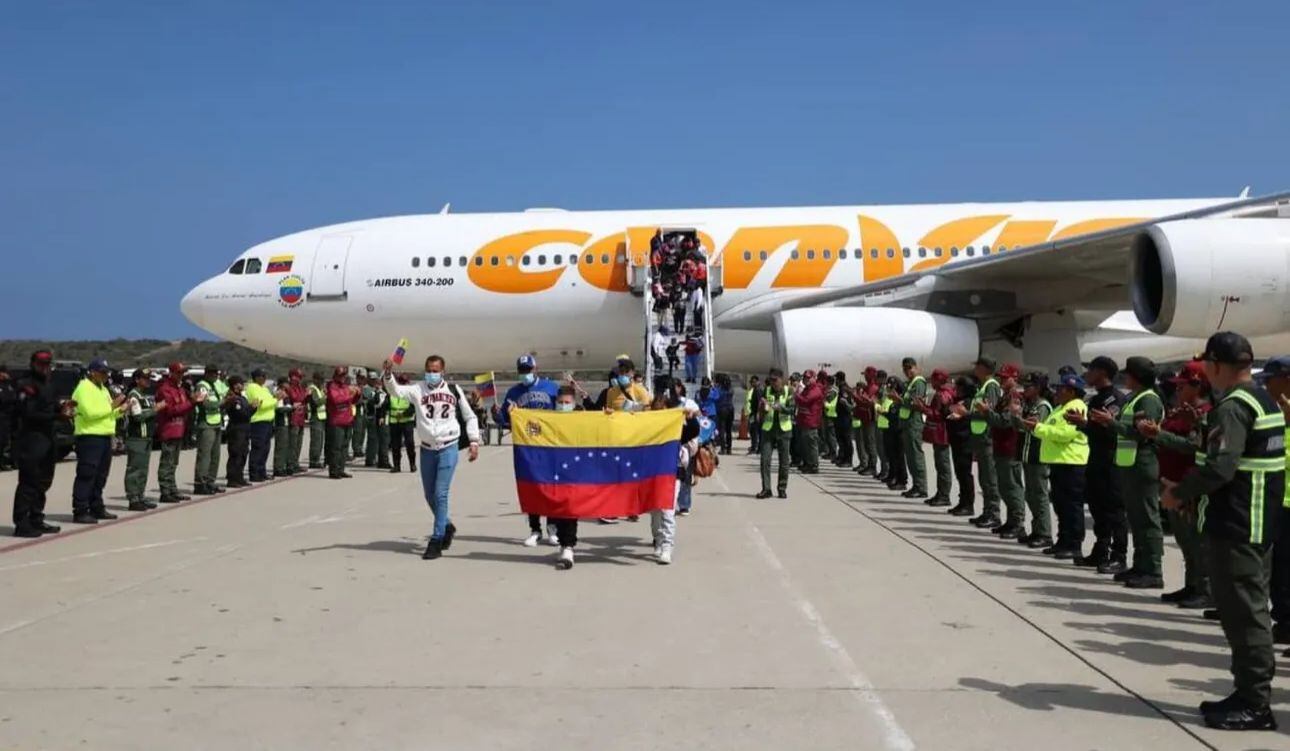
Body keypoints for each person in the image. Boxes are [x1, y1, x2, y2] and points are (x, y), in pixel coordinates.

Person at [1163, 332, 1282, 731]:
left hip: (1237, 523)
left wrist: (1179, 493)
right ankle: (1247, 691)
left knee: (1245, 615)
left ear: (1215, 365)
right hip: (1255, 519)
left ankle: (1255, 703)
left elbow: (1220, 467)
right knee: (1245, 610)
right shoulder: (1263, 398)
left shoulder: (1233, 406)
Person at [382, 354, 481, 561]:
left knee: (440, 493)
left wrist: (473, 441)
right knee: (429, 495)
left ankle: (436, 539)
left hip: (448, 446)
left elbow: (470, 416)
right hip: (427, 448)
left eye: (436, 370)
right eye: (429, 370)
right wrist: (389, 374)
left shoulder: (453, 390)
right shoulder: (418, 389)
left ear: (443, 371)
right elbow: (395, 391)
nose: (432, 374)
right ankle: (447, 525)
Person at [1137, 359, 1212, 609]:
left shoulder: (1205, 414)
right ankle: (1192, 585)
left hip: (1187, 485)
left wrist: (1159, 434)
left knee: (1196, 541)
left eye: (1182, 386)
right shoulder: (1180, 411)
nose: (1177, 391)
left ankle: (1204, 588)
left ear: (1197, 385)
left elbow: (1192, 446)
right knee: (1185, 540)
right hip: (1171, 484)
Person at [1092, 356, 1165, 588]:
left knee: (1147, 520)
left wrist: (1110, 423)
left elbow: (1143, 433)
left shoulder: (1149, 400)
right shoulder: (1135, 399)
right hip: (1129, 465)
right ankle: (1140, 565)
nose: (1124, 378)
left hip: (1142, 465)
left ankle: (1153, 570)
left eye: (1128, 374)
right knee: (1137, 519)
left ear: (1136, 376)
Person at [1067, 356, 1128, 574]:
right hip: (1095, 460)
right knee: (1097, 508)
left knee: (1114, 511)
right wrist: (1083, 424)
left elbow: (1112, 430)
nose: (1087, 375)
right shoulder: (1096, 399)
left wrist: (1086, 423)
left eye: (1091, 370)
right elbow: (1095, 428)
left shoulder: (1115, 399)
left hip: (1110, 462)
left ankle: (1119, 555)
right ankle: (1100, 550)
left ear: (1102, 372)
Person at [497, 355, 561, 546]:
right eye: (522, 371)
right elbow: (504, 420)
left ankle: (553, 527)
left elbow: (565, 411)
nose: (525, 374)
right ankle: (535, 529)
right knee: (531, 486)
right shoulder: (513, 392)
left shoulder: (551, 388)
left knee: (551, 487)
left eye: (528, 370)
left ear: (536, 369)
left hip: (550, 445)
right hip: (527, 447)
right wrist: (498, 414)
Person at [1024, 372, 1089, 560]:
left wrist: (1037, 428)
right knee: (1061, 506)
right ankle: (1063, 540)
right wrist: (1037, 428)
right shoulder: (1061, 407)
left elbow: (1064, 434)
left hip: (1071, 463)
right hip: (1060, 462)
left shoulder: (1076, 407)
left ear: (1071, 391)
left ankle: (1074, 544)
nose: (1057, 392)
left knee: (1071, 507)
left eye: (1060, 389)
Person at [11, 351, 66, 537]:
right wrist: (58, 415)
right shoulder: (25, 385)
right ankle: (22, 522)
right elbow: (29, 413)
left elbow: (52, 405)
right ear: (33, 363)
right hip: (31, 440)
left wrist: (63, 408)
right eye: (41, 364)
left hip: (48, 439)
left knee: (43, 482)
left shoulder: (49, 384)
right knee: (28, 483)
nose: (45, 367)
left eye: (48, 364)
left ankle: (36, 518)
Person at [69, 358, 126, 524]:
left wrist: (120, 410)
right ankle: (80, 509)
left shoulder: (103, 390)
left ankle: (96, 505)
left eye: (107, 372)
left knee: (101, 475)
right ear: (92, 372)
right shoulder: (83, 388)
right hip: (89, 436)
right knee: (87, 474)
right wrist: (112, 407)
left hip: (104, 436)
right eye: (102, 372)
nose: (105, 375)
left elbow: (107, 413)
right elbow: (90, 413)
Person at [956, 358, 1004, 529]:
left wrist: (966, 414)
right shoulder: (983, 386)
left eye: (977, 366)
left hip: (987, 437)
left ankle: (994, 513)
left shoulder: (991, 386)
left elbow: (988, 412)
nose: (975, 369)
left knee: (990, 478)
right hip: (980, 437)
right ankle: (987, 511)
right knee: (984, 477)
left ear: (984, 368)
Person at [1012, 373, 1053, 549]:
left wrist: (1017, 416)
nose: (1025, 389)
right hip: (1028, 455)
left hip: (1038, 456)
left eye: (1028, 386)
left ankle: (1044, 533)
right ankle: (1036, 531)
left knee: (1039, 496)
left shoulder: (1042, 406)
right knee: (1031, 495)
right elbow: (1021, 427)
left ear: (1037, 388)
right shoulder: (1030, 405)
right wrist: (1017, 416)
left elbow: (1034, 427)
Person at [985, 364, 1026, 538]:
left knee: (1012, 487)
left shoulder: (1014, 397)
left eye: (1004, 377)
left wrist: (987, 412)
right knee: (1004, 486)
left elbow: (1005, 421)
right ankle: (1010, 521)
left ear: (1013, 378)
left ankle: (1018, 523)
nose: (1001, 380)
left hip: (1010, 448)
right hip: (1001, 446)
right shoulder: (1005, 397)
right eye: (1000, 377)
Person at [549, 386, 584, 569]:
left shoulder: (582, 419)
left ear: (574, 403)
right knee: (558, 508)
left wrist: (608, 416)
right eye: (560, 403)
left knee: (570, 508)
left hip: (574, 469)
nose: (563, 406)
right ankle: (564, 543)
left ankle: (568, 547)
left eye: (567, 403)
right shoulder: (549, 419)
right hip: (553, 470)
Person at [154, 362, 194, 503]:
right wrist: (191, 403)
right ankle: (165, 491)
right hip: (169, 430)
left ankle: (172, 489)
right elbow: (170, 410)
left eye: (183, 373)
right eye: (179, 373)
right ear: (171, 373)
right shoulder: (165, 390)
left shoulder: (180, 389)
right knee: (167, 463)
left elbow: (183, 409)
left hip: (179, 429)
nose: (181, 375)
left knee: (173, 463)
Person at [123, 369, 160, 511]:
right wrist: (155, 409)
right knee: (135, 469)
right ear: (137, 379)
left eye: (149, 378)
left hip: (146, 437)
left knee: (143, 469)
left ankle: (140, 496)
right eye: (144, 378)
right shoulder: (134, 395)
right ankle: (133, 498)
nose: (148, 381)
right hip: (137, 437)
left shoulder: (145, 396)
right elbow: (137, 417)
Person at [757, 368, 794, 500]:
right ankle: (766, 489)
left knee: (784, 462)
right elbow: (760, 410)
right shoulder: (766, 390)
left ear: (781, 379)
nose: (773, 383)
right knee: (765, 460)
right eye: (771, 380)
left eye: (775, 380)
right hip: (768, 429)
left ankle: (782, 488)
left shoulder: (789, 391)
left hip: (784, 430)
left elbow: (793, 409)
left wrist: (782, 408)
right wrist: (763, 407)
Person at [895, 358, 929, 499]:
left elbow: (916, 403)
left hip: (914, 423)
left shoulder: (919, 382)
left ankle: (921, 487)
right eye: (905, 368)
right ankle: (916, 485)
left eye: (909, 368)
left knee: (916, 456)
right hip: (907, 424)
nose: (907, 371)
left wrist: (900, 400)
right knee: (910, 457)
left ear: (916, 367)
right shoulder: (909, 384)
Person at [921, 369, 954, 507]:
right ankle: (940, 493)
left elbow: (940, 414)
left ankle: (944, 495)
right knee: (939, 465)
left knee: (943, 465)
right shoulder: (941, 393)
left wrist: (923, 409)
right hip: (938, 435)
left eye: (934, 379)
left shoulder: (943, 395)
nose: (932, 382)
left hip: (942, 434)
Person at [191, 366, 226, 495]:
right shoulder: (202, 386)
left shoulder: (215, 385)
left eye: (216, 374)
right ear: (206, 374)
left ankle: (210, 482)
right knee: (204, 455)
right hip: (206, 423)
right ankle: (200, 483)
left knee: (215, 455)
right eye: (213, 374)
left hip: (216, 423)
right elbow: (205, 404)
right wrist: (222, 403)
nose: (215, 376)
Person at [946, 375, 977, 516]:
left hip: (965, 441)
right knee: (959, 473)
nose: (956, 390)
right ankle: (962, 501)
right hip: (956, 440)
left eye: (959, 388)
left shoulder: (970, 402)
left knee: (965, 474)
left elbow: (964, 415)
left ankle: (968, 504)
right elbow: (948, 411)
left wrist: (960, 415)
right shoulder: (958, 401)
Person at [325, 366, 359, 479]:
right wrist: (350, 395)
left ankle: (341, 469)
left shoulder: (345, 387)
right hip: (337, 421)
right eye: (341, 375)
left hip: (347, 420)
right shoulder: (331, 386)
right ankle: (334, 471)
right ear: (336, 376)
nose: (343, 378)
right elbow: (336, 400)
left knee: (344, 447)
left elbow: (352, 401)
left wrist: (357, 393)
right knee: (336, 447)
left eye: (344, 375)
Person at [244, 369, 277, 483]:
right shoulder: (252, 387)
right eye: (262, 376)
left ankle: (261, 471)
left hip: (268, 421)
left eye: (265, 376)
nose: (264, 378)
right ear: (256, 377)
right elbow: (261, 404)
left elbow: (270, 402)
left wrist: (274, 400)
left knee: (265, 448)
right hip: (258, 421)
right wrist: (275, 399)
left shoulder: (264, 388)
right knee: (258, 448)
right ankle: (254, 473)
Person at [223, 376, 252, 488]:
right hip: (236, 428)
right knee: (235, 453)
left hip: (244, 428)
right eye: (240, 383)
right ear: (234, 385)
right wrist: (250, 410)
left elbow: (247, 413)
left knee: (243, 453)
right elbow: (240, 413)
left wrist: (253, 408)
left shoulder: (241, 397)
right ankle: (232, 478)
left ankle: (239, 477)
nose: (242, 385)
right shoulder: (232, 397)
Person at [795, 370, 824, 474]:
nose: (806, 379)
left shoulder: (815, 390)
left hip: (811, 421)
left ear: (813, 378)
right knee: (805, 444)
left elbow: (805, 401)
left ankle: (814, 465)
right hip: (804, 420)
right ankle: (808, 463)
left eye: (808, 378)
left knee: (811, 444)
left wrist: (796, 394)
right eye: (805, 377)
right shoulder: (807, 389)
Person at [387, 374, 417, 472]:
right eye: (401, 382)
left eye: (405, 382)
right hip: (394, 422)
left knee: (410, 444)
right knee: (395, 445)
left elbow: (413, 408)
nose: (403, 384)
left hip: (407, 421)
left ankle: (412, 464)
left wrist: (403, 414)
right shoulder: (392, 392)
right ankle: (396, 466)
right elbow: (386, 405)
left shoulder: (410, 393)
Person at [853, 367, 880, 476]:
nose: (864, 376)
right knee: (866, 443)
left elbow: (868, 403)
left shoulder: (873, 388)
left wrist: (855, 397)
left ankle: (872, 466)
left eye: (866, 375)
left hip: (870, 419)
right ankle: (869, 464)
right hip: (864, 418)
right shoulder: (867, 387)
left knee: (870, 443)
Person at [283, 369, 309, 475]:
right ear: (293, 377)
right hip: (293, 418)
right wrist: (305, 394)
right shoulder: (288, 388)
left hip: (301, 417)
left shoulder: (299, 387)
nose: (300, 379)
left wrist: (306, 395)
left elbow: (303, 399)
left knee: (298, 443)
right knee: (292, 443)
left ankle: (295, 463)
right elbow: (296, 397)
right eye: (298, 376)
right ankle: (290, 464)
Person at [363, 372, 391, 468]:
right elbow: (373, 403)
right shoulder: (369, 390)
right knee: (373, 439)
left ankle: (380, 460)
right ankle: (371, 459)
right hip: (373, 417)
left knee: (382, 440)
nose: (376, 383)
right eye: (374, 380)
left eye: (377, 381)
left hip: (381, 418)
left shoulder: (384, 392)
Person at [832, 372, 854, 467]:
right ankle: (843, 457)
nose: (835, 381)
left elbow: (847, 405)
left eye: (836, 379)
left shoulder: (844, 389)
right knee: (841, 439)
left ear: (839, 379)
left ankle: (848, 460)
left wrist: (845, 403)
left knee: (846, 439)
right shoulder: (841, 388)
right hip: (840, 417)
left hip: (845, 417)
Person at [307, 371, 328, 469]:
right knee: (316, 440)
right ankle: (313, 461)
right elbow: (316, 402)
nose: (322, 382)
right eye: (320, 380)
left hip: (322, 417)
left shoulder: (320, 389)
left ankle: (317, 459)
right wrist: (326, 398)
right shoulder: (313, 389)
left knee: (320, 441)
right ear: (315, 380)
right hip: (315, 417)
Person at [715, 373, 735, 455]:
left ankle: (723, 448)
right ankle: (729, 448)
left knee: (722, 429)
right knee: (729, 430)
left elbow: (716, 397)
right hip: (730, 409)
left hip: (722, 409)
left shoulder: (719, 389)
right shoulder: (731, 389)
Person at [0, 364, 15, 472]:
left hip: (8, 417)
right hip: (1, 416)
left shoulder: (8, 385)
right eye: (4, 372)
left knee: (4, 441)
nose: (6, 375)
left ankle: (3, 463)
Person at [351, 372, 369, 460]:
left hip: (363, 412)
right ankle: (356, 449)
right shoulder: (354, 388)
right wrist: (361, 401)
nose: (362, 380)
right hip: (357, 411)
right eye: (360, 378)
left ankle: (360, 448)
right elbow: (353, 400)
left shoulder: (365, 388)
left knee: (362, 431)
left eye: (363, 378)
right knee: (357, 431)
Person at [745, 375, 763, 455]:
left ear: (758, 382)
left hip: (756, 413)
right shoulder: (755, 390)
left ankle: (755, 447)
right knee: (753, 431)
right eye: (752, 382)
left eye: (754, 382)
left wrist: (758, 413)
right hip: (753, 412)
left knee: (755, 431)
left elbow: (759, 402)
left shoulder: (758, 390)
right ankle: (755, 447)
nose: (753, 383)